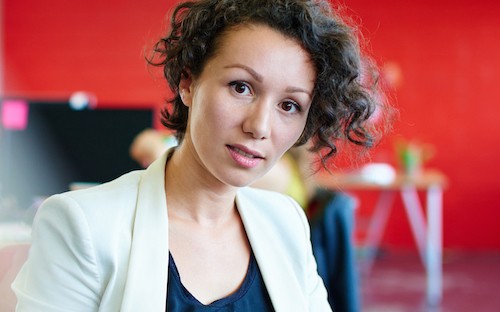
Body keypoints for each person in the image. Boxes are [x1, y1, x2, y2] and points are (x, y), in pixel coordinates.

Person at [12, 0, 387, 311]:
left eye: (289, 105)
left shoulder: (285, 222)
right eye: (241, 87)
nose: (260, 126)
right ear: (188, 82)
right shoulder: (83, 226)